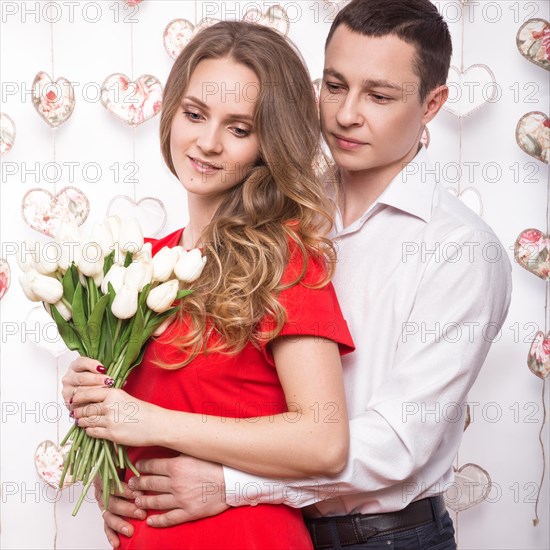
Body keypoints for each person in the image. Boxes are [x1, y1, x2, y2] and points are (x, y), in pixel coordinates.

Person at [70, 1, 514, 548]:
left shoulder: (460, 251)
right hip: (263, 522)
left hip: (383, 535)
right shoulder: (280, 218)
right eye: (333, 86)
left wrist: (232, 484)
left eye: (378, 96)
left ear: (432, 104)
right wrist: (113, 454)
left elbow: (397, 444)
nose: (347, 114)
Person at [63, 20, 356, 550]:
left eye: (239, 129)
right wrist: (94, 406)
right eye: (195, 114)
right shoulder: (142, 262)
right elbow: (136, 420)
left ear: (270, 145)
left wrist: (150, 421)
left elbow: (324, 439)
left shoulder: (285, 260)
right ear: (172, 110)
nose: (208, 142)